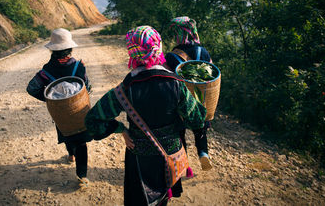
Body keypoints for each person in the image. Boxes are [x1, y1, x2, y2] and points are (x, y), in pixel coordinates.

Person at [85, 26, 206, 206]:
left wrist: (121, 129)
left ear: (131, 52)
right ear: (158, 47)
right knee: (163, 199)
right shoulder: (176, 84)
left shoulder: (124, 90)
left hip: (139, 160)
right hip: (170, 157)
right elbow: (197, 120)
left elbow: (92, 121)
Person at [26, 28, 92, 189]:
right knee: (81, 142)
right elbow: (87, 87)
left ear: (52, 49)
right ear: (70, 48)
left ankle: (70, 155)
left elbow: (31, 89)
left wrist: (50, 100)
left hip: (60, 114)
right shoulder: (79, 66)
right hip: (79, 111)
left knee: (67, 134)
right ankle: (82, 177)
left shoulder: (46, 71)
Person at [164, 16, 213, 171]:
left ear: (179, 34)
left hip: (180, 101)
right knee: (200, 129)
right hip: (200, 99)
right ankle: (203, 153)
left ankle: (185, 166)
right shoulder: (203, 52)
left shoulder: (172, 56)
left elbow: (167, 78)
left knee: (180, 132)